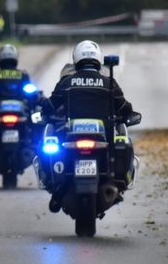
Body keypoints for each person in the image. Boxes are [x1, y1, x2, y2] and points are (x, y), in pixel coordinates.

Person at [40, 40, 135, 212]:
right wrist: (127, 115)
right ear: (98, 59)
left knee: (50, 144)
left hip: (72, 139)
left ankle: (58, 189)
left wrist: (45, 112)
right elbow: (124, 108)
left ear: (76, 59)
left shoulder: (67, 82)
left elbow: (49, 106)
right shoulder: (108, 83)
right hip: (102, 140)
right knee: (121, 139)